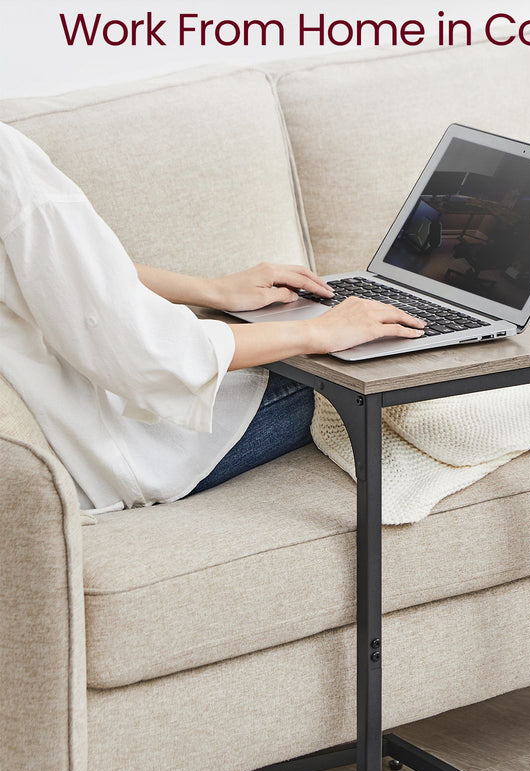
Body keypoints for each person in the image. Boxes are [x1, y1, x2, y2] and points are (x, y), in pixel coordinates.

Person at [0, 121, 426, 511]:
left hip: (85, 430)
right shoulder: (8, 163)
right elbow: (150, 356)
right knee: (398, 366)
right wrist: (318, 332)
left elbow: (66, 275)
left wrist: (212, 290)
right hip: (118, 453)